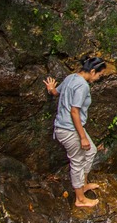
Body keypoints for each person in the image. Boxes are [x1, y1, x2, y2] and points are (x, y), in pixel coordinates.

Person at [44, 56, 107, 208]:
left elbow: (56, 93)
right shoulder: (82, 86)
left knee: (91, 151)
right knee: (77, 161)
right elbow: (74, 111)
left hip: (68, 127)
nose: (99, 78)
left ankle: (83, 185)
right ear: (92, 71)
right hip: (68, 129)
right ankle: (80, 199)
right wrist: (83, 137)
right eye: (99, 75)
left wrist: (51, 89)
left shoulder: (71, 77)